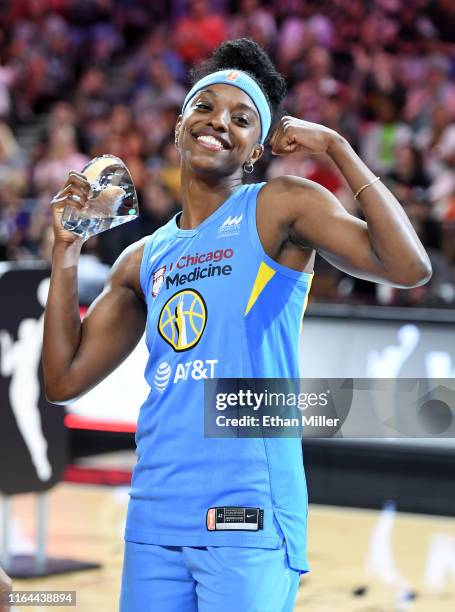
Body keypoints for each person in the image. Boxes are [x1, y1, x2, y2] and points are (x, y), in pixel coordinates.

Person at [43, 39, 432, 612]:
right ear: (178, 126)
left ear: (255, 149)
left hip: (246, 511)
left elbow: (409, 266)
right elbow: (62, 382)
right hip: (155, 512)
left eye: (242, 118)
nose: (218, 123)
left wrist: (337, 146)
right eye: (205, 107)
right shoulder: (142, 257)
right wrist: (66, 252)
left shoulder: (279, 205)